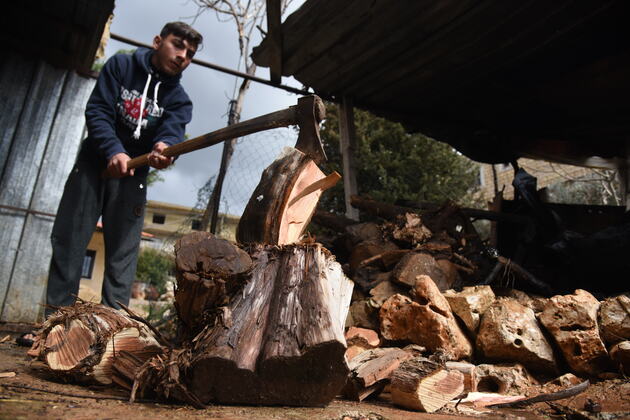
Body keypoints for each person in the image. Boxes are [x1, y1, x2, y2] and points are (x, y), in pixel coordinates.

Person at [45, 22, 203, 317]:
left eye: (190, 53)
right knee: (69, 240)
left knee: (122, 255)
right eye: (178, 45)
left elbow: (171, 132)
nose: (183, 55)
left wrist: (163, 149)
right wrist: (113, 150)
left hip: (135, 177)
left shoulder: (180, 100)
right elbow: (98, 110)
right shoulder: (121, 65)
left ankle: (113, 329)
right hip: (94, 165)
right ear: (157, 41)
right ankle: (55, 322)